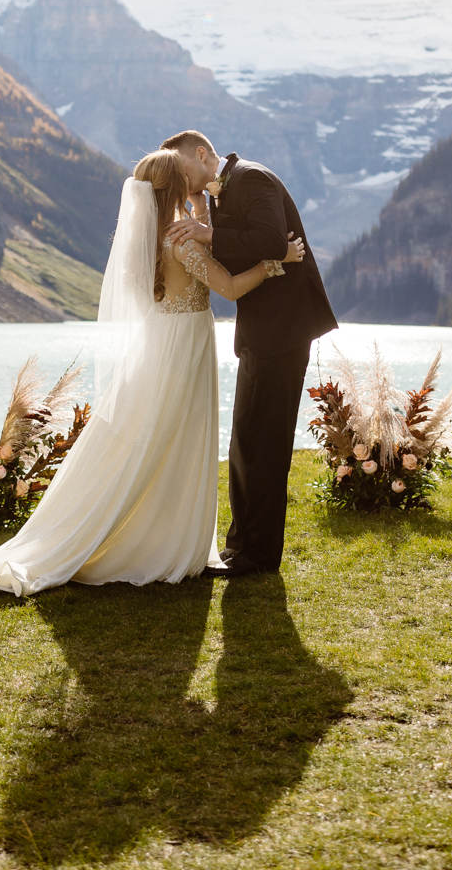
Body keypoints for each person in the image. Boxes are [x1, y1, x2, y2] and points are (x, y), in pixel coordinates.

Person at [0, 148, 304, 595]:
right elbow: (230, 286)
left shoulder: (150, 239)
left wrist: (205, 218)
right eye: (184, 176)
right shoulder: (180, 240)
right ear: (174, 187)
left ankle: (153, 532)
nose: (191, 179)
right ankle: (163, 541)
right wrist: (277, 260)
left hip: (164, 344)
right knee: (176, 438)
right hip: (184, 348)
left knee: (156, 439)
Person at [162, 130, 337, 577]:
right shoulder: (222, 192)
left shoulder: (252, 179)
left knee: (266, 442)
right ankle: (242, 548)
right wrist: (206, 220)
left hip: (283, 329)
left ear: (203, 155)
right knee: (246, 439)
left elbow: (269, 239)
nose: (182, 184)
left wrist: (207, 231)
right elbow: (257, 253)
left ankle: (257, 556)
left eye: (183, 172)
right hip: (264, 329)